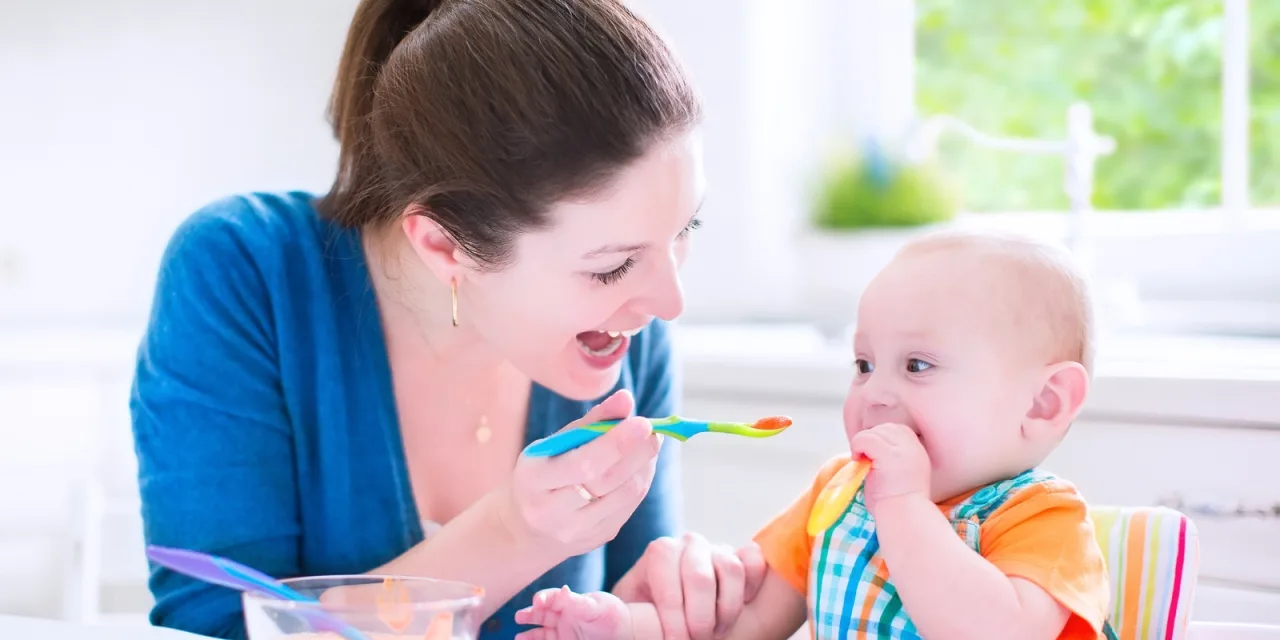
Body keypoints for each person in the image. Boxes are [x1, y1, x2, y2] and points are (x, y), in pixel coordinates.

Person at [128, 1, 766, 638]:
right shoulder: (245, 274)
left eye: (685, 230)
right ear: (444, 246)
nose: (668, 303)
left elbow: (630, 607)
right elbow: (216, 626)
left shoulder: (626, 334)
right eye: (611, 266)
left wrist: (651, 616)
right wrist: (513, 533)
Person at [514, 230, 1114, 639]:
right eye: (864, 364)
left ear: (1044, 402)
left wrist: (903, 506)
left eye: (918, 366)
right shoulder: (838, 498)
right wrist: (623, 623)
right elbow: (745, 624)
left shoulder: (1046, 521)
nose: (874, 392)